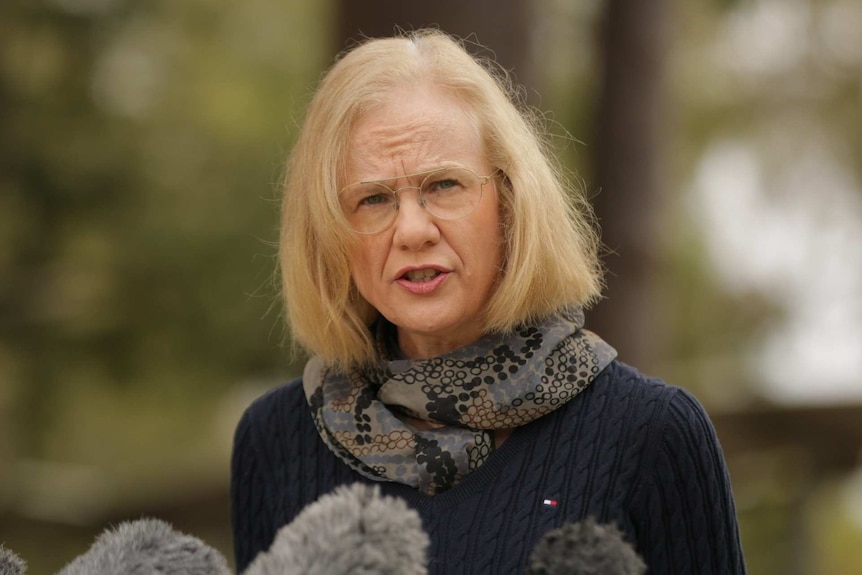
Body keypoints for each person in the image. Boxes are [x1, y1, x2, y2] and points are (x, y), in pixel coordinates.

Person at [230, 29, 746, 574]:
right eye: (373, 198)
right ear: (330, 233)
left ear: (510, 199)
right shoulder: (276, 440)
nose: (412, 229)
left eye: (444, 186)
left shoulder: (650, 433)